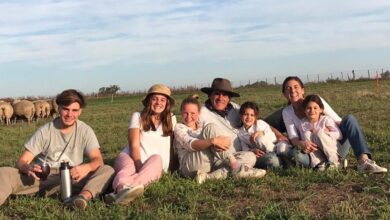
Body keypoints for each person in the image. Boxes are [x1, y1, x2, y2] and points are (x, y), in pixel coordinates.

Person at [0, 89, 115, 210]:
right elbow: (22, 161)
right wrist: (28, 168)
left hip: (73, 177)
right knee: (4, 172)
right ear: (58, 108)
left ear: (80, 111)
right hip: (43, 179)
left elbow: (98, 160)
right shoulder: (45, 131)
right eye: (66, 109)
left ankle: (81, 198)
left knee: (107, 170)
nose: (70, 114)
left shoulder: (85, 130)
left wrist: (86, 167)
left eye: (74, 110)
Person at [279, 76, 387, 173]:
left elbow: (338, 122)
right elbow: (293, 138)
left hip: (333, 147)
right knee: (295, 155)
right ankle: (326, 165)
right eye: (288, 88)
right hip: (313, 152)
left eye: (296, 87)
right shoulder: (287, 112)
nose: (293, 90)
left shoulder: (316, 100)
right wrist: (302, 144)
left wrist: (327, 133)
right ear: (284, 93)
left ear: (302, 90)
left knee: (349, 119)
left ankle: (363, 161)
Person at [105, 84, 176, 205]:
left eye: (163, 100)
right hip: (131, 156)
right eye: (155, 99)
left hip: (154, 164)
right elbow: (133, 144)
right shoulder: (137, 116)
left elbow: (174, 144)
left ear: (167, 103)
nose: (159, 102)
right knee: (127, 169)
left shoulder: (171, 118)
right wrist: (138, 165)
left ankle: (117, 194)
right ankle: (123, 189)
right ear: (149, 101)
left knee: (157, 158)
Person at [174, 95, 266, 184]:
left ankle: (208, 177)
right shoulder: (179, 127)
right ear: (181, 113)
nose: (189, 117)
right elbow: (191, 145)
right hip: (190, 166)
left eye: (193, 113)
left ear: (198, 113)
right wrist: (212, 141)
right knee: (211, 128)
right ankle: (237, 168)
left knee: (250, 156)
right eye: (185, 113)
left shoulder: (201, 125)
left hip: (211, 162)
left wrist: (216, 144)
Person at [199, 77, 284, 170]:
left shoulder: (235, 108)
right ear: (210, 95)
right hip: (226, 156)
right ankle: (234, 169)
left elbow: (255, 120)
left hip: (249, 149)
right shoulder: (201, 113)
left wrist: (280, 136)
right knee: (273, 161)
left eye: (225, 95)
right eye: (217, 94)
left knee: (275, 156)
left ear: (229, 98)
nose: (220, 98)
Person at [298, 95, 342, 170]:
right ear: (304, 110)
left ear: (321, 109)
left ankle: (335, 161)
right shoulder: (303, 124)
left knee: (319, 133)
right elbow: (304, 139)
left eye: (315, 108)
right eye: (308, 108)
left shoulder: (326, 120)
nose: (312, 110)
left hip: (331, 148)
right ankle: (319, 162)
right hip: (317, 151)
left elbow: (339, 135)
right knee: (306, 135)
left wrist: (325, 132)